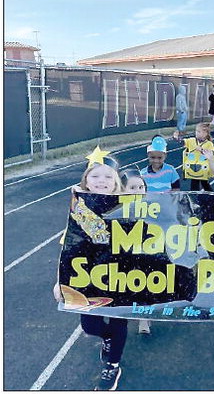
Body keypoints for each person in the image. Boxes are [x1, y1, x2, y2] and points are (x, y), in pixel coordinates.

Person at [53, 147, 127, 391]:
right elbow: (68, 251)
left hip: (125, 278)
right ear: (85, 180)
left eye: (108, 177)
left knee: (119, 323)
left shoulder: (131, 206)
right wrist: (59, 282)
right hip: (89, 279)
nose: (102, 181)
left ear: (116, 182)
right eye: (95, 176)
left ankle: (113, 365)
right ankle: (107, 337)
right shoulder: (78, 211)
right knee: (90, 326)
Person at [119, 168, 152, 335]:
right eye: (132, 188)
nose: (138, 191)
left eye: (141, 187)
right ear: (123, 189)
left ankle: (144, 319)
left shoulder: (154, 207)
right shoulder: (116, 209)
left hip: (146, 254)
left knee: (145, 285)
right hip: (124, 255)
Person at [181, 122, 214, 191]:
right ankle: (194, 197)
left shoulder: (209, 144)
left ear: (205, 133)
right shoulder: (191, 140)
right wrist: (177, 138)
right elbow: (183, 142)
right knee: (194, 183)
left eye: (199, 131)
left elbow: (211, 153)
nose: (196, 133)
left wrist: (202, 150)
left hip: (203, 168)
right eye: (196, 131)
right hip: (193, 166)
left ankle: (212, 196)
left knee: (205, 184)